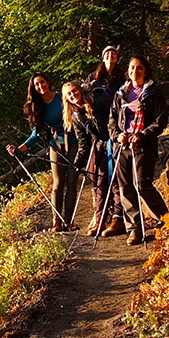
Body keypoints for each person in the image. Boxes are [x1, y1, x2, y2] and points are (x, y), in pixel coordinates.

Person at [105, 54, 169, 245]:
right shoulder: (121, 93)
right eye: (132, 67)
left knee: (142, 184)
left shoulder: (153, 93)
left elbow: (160, 121)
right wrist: (118, 135)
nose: (135, 71)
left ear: (146, 71)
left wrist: (141, 135)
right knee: (125, 188)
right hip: (123, 145)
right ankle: (134, 229)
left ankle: (166, 222)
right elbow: (111, 121)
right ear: (128, 71)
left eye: (140, 68)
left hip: (144, 145)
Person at [6, 73, 79, 231]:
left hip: (75, 141)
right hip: (56, 144)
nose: (40, 86)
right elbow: (35, 135)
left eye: (42, 82)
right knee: (58, 183)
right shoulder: (39, 108)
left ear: (48, 82)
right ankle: (57, 221)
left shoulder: (62, 97)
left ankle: (69, 219)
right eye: (37, 85)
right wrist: (19, 149)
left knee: (72, 181)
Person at [84, 46, 124, 236]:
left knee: (115, 175)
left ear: (117, 58)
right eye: (107, 53)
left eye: (113, 54)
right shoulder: (93, 77)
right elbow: (83, 97)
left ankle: (118, 217)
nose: (110, 56)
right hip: (99, 130)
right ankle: (100, 216)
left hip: (116, 128)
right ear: (102, 57)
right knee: (99, 175)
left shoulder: (122, 77)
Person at [60, 80, 92, 228]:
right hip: (94, 146)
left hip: (107, 141)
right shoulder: (74, 115)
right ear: (66, 98)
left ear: (80, 90)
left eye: (74, 91)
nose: (73, 95)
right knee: (96, 179)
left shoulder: (92, 102)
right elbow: (83, 141)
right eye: (69, 94)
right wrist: (78, 162)